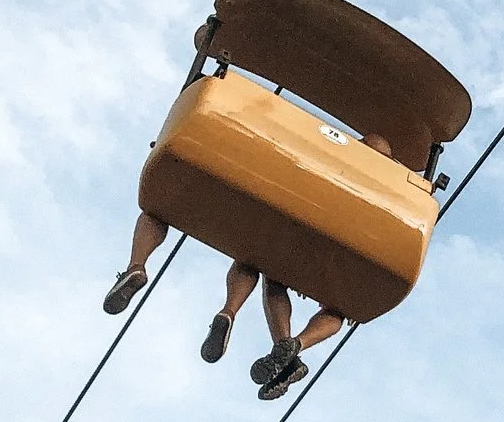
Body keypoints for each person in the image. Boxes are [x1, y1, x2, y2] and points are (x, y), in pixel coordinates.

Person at [102, 123, 385, 403]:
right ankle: (293, 345)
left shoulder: (331, 156)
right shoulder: (381, 188)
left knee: (167, 215)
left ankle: (142, 269)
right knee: (335, 307)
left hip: (297, 218)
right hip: (330, 242)